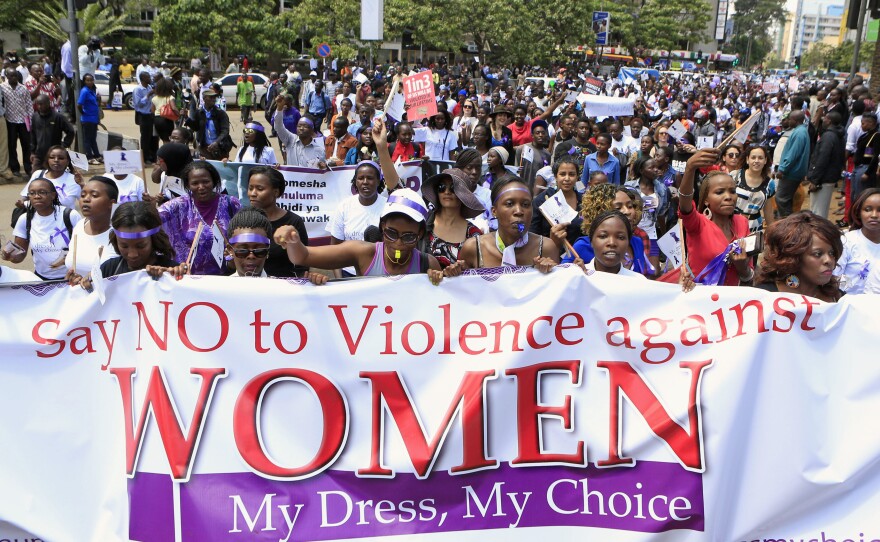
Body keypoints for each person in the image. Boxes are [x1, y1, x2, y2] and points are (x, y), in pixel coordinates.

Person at [275, 188, 440, 276]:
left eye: (409, 237)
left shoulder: (428, 264)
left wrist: (439, 279)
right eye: (391, 233)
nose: (398, 243)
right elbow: (302, 256)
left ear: (420, 234)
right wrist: (292, 241)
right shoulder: (363, 253)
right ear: (382, 226)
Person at [673, 149, 751, 286]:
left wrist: (742, 268)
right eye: (719, 192)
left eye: (732, 191)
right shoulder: (697, 223)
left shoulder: (742, 223)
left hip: (732, 302)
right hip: (701, 301)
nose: (728, 197)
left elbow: (749, 277)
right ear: (706, 200)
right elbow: (685, 204)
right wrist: (690, 167)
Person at [450, 177, 561, 272]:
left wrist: (552, 272)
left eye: (526, 204)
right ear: (494, 211)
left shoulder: (547, 248)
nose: (518, 211)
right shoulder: (474, 248)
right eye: (509, 204)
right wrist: (453, 273)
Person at [158, 161, 241, 275]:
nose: (201, 187)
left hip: (227, 277)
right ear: (187, 185)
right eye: (195, 183)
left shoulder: (231, 204)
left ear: (214, 181)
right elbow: (151, 220)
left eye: (206, 182)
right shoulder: (177, 206)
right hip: (190, 280)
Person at [81, 201, 184, 283]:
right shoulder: (108, 270)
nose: (132, 254)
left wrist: (175, 278)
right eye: (124, 246)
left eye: (141, 246)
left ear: (154, 240)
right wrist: (81, 286)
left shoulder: (171, 270)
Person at [2, 178, 81, 280]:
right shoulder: (24, 220)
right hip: (42, 279)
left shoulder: (70, 215)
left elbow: (84, 246)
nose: (37, 196)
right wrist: (10, 256)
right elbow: (19, 256)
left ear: (53, 195)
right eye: (32, 193)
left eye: (42, 192)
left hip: (71, 278)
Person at [755, 212, 844, 302]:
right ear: (794, 256)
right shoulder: (765, 298)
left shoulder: (839, 299)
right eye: (818, 254)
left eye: (832, 253)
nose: (828, 260)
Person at [246, 166, 309, 278]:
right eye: (250, 188)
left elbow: (302, 265)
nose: (253, 193)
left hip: (283, 289)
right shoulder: (243, 219)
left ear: (276, 192)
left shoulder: (294, 222)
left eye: (260, 189)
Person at [326, 160, 387, 276]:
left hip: (379, 274)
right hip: (348, 274)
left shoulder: (388, 207)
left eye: (370, 178)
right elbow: (334, 249)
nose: (365, 182)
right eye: (360, 178)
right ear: (355, 181)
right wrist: (340, 281)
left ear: (378, 181)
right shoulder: (344, 207)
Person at [419, 168, 484, 268]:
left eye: (453, 188)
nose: (447, 192)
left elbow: (479, 274)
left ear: (464, 196)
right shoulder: (422, 222)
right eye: (442, 187)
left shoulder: (474, 235)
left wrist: (464, 268)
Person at [64, 176, 119, 283]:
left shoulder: (121, 232)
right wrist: (73, 279)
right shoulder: (79, 225)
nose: (86, 199)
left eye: (94, 195)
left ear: (111, 203)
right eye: (83, 195)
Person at [625, 157, 670, 275]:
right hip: (632, 232)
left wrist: (664, 234)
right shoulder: (629, 186)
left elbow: (661, 214)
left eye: (657, 167)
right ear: (641, 170)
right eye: (651, 168)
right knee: (634, 269)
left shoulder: (661, 189)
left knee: (654, 272)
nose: (656, 170)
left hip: (651, 233)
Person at [531, 156, 583, 247]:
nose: (567, 178)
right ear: (555, 176)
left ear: (577, 177)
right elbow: (533, 234)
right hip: (548, 255)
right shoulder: (541, 201)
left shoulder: (584, 201)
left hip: (577, 256)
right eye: (562, 174)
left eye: (571, 174)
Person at [836, 188, 880, 294]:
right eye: (867, 209)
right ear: (858, 213)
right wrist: (851, 290)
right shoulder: (847, 241)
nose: (874, 215)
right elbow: (833, 276)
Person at [806, 111, 845, 218]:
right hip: (828, 177)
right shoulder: (837, 134)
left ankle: (819, 233)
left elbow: (822, 159)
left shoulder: (828, 136)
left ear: (830, 121)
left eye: (826, 118)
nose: (823, 119)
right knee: (821, 210)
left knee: (817, 212)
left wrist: (815, 180)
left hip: (823, 179)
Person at [584, 211, 646, 278]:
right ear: (591, 241)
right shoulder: (577, 278)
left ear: (628, 242)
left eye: (620, 237)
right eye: (603, 236)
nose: (612, 243)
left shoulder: (638, 282)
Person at [775, 110, 810, 219]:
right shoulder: (801, 131)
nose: (788, 121)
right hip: (794, 171)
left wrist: (782, 169)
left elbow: (793, 154)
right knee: (787, 199)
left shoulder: (799, 133)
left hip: (791, 172)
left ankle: (788, 223)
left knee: (782, 199)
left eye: (789, 119)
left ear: (794, 120)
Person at [732, 146, 775, 232]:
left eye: (760, 158)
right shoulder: (734, 176)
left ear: (765, 161)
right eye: (753, 157)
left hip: (755, 227)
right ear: (747, 159)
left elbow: (768, 211)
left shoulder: (769, 184)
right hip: (733, 224)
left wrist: (772, 231)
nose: (756, 161)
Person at [274, 96, 326, 168]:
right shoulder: (291, 140)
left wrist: (323, 167)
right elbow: (278, 127)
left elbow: (323, 172)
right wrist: (279, 108)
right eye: (299, 126)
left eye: (305, 126)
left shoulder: (319, 150)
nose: (301, 128)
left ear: (311, 130)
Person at [230, 121, 276, 202]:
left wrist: (276, 166)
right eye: (245, 131)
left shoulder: (268, 151)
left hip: (262, 188)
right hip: (245, 188)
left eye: (250, 131)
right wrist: (227, 163)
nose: (246, 134)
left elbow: (274, 170)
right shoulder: (241, 150)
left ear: (258, 134)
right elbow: (236, 169)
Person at [29, 95, 75, 171]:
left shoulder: (58, 117)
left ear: (48, 103)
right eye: (38, 104)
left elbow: (70, 131)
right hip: (39, 155)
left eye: (42, 104)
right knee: (35, 177)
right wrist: (32, 152)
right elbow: (33, 135)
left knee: (54, 177)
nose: (39, 106)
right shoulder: (35, 117)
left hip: (54, 156)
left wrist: (64, 145)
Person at [2, 69, 34, 178]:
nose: (13, 78)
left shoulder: (23, 88)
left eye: (15, 76)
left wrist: (31, 119)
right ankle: (15, 168)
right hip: (10, 120)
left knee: (26, 145)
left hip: (23, 120)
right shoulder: (2, 88)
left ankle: (28, 167)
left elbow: (29, 104)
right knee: (11, 145)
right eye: (11, 76)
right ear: (7, 76)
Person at [225, 207, 274, 277]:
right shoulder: (221, 287)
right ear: (230, 250)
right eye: (242, 251)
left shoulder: (279, 287)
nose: (251, 256)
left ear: (268, 251)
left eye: (259, 251)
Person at [187, 88, 233, 160]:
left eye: (214, 97)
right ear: (204, 99)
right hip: (204, 148)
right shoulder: (199, 113)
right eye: (211, 97)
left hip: (220, 148)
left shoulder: (220, 113)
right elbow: (195, 128)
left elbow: (225, 131)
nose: (213, 99)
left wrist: (216, 142)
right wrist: (186, 118)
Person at [516, 120, 552, 195]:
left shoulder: (547, 154)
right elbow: (516, 170)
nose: (540, 135)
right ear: (532, 135)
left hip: (538, 192)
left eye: (543, 133)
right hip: (522, 189)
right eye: (537, 133)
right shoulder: (522, 149)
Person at [133, 72, 157, 164]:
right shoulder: (138, 89)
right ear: (143, 79)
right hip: (143, 115)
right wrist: (147, 95)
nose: (150, 78)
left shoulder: (149, 87)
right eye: (147, 77)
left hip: (151, 114)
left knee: (152, 136)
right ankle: (144, 157)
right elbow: (138, 104)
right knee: (145, 137)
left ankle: (151, 155)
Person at [151, 77, 179, 144]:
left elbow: (152, 110)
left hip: (157, 119)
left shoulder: (154, 98)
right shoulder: (170, 97)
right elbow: (174, 108)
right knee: (168, 140)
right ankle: (167, 153)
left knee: (163, 138)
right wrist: (178, 114)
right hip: (167, 120)